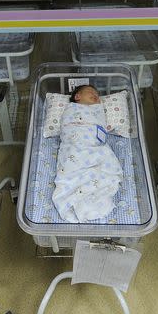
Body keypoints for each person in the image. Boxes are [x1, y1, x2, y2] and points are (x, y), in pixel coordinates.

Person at [52, 85, 123, 223]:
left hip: (94, 147)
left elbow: (102, 127)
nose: (96, 95)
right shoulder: (71, 108)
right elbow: (66, 128)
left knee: (103, 160)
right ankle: (76, 195)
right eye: (90, 92)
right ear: (77, 97)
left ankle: (93, 195)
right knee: (70, 164)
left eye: (97, 94)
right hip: (74, 146)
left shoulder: (98, 110)